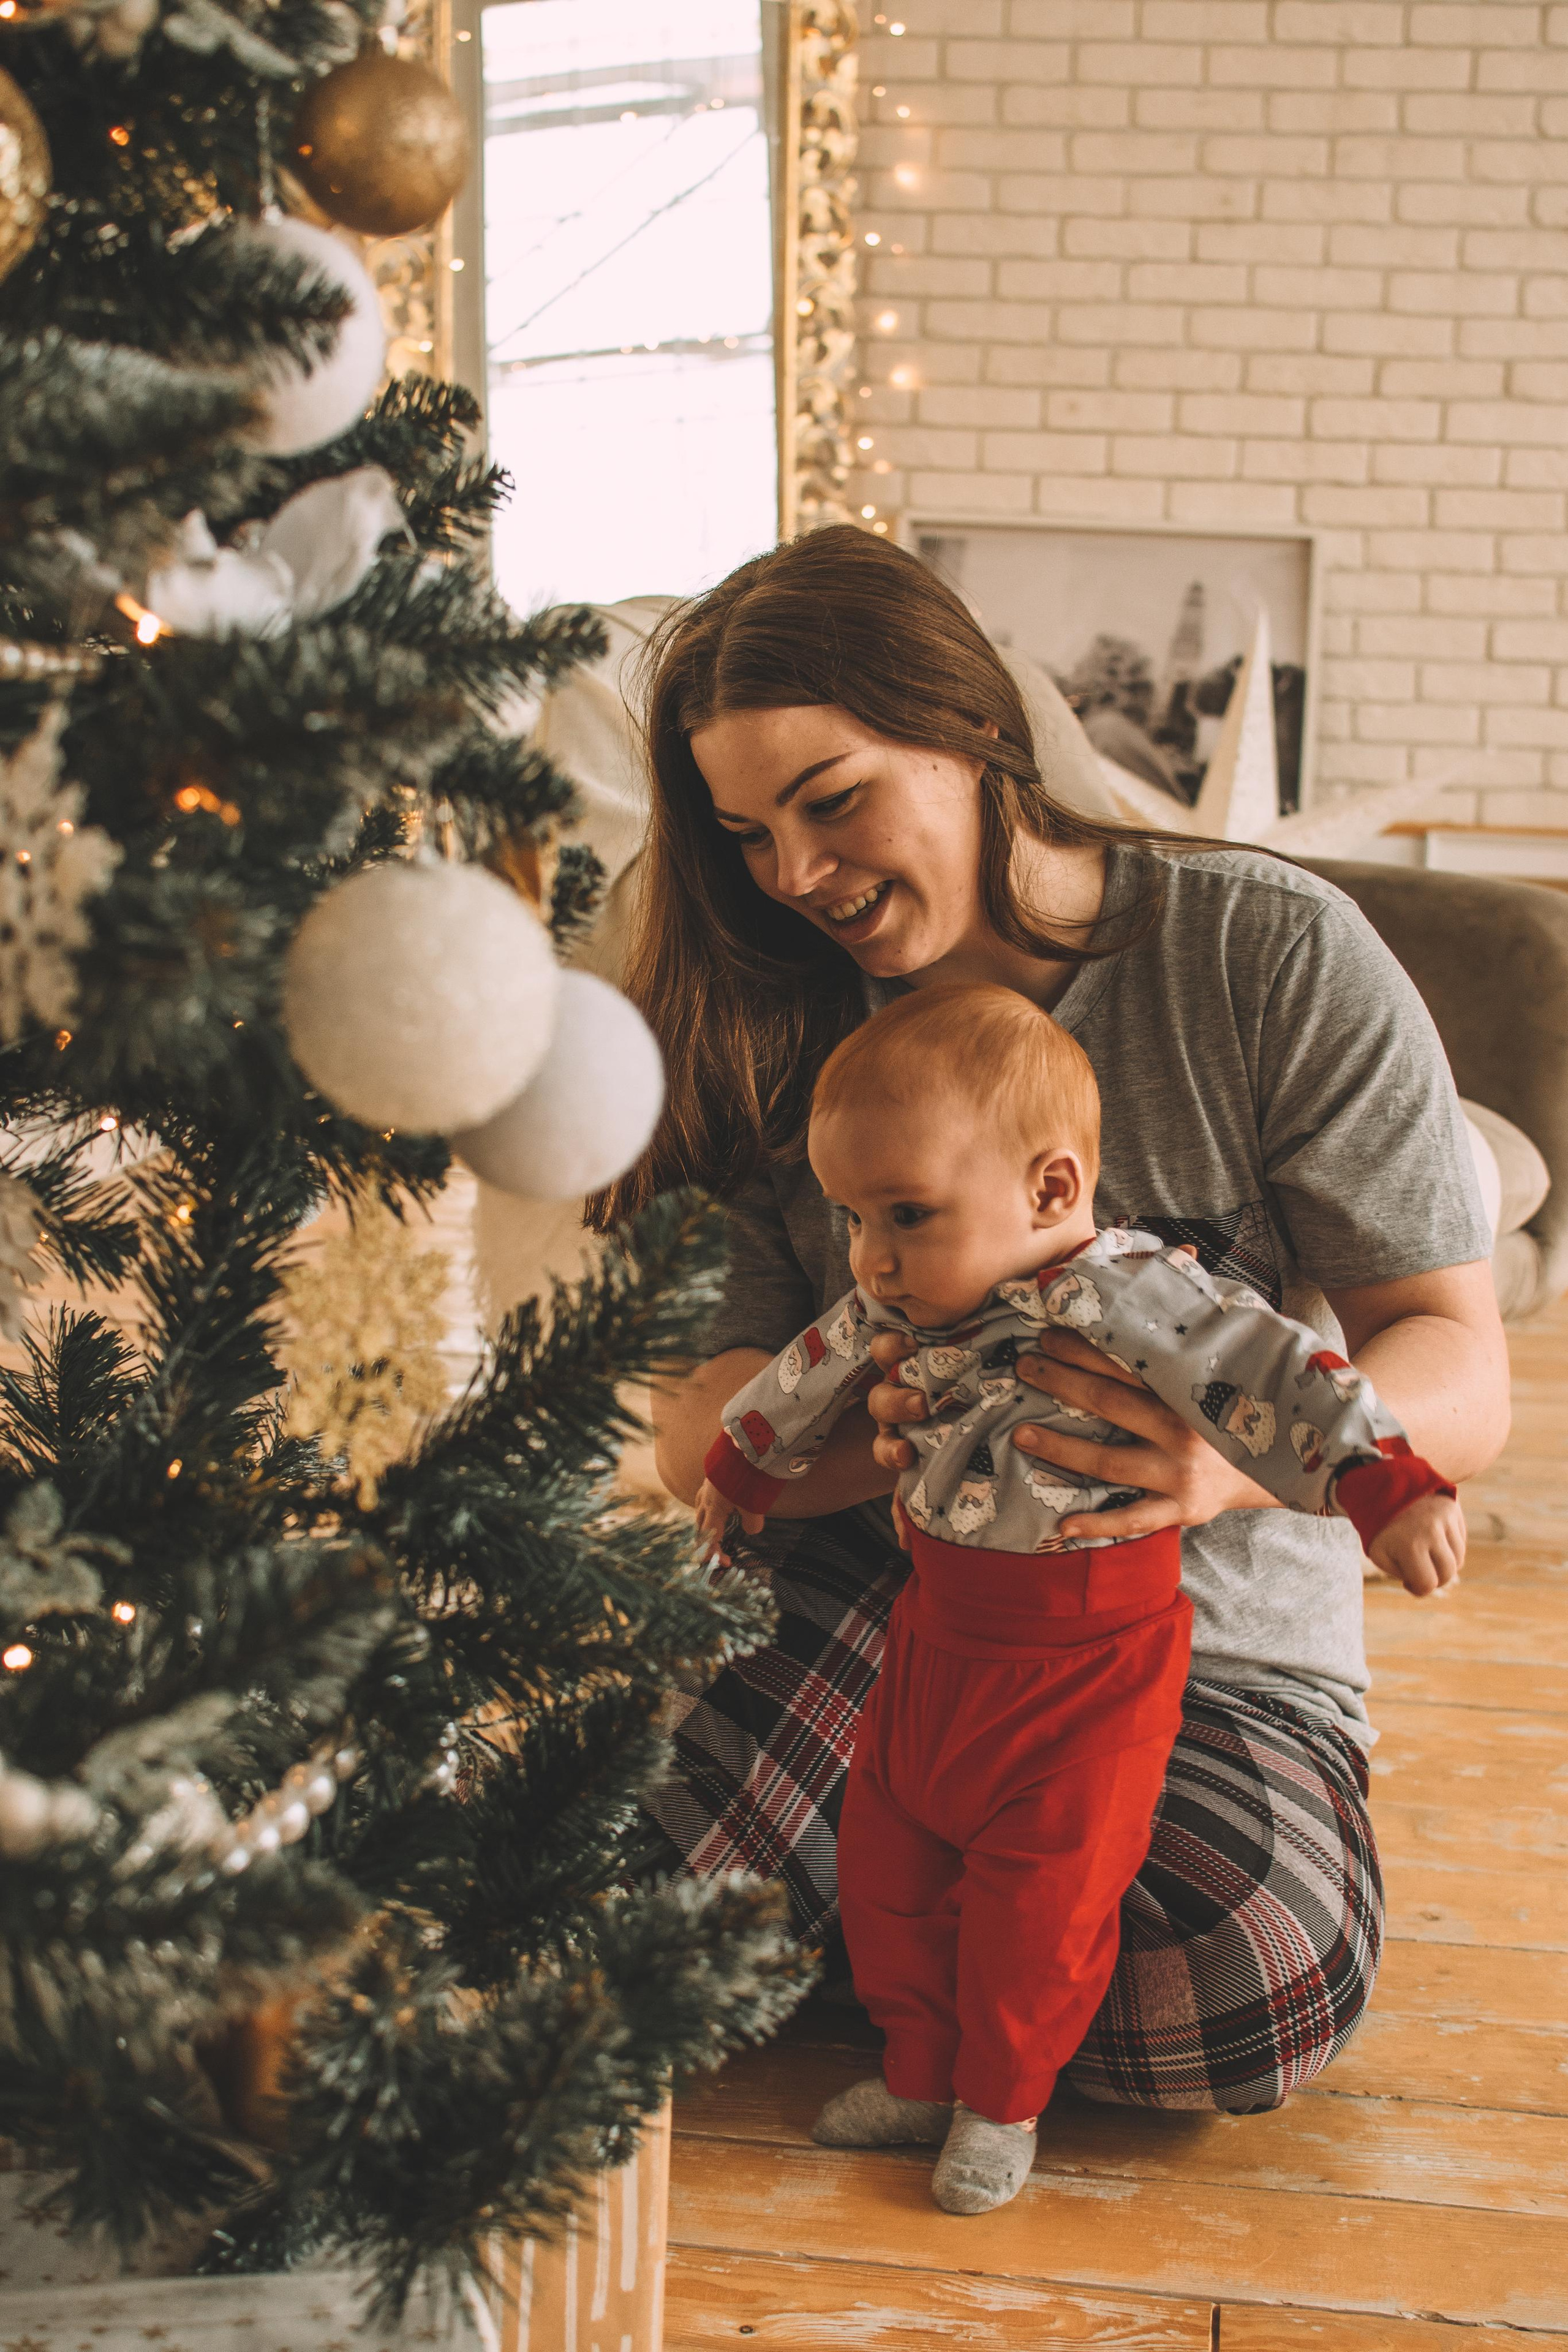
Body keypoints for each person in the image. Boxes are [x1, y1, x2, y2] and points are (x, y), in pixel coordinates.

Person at [593, 525, 1509, 2119]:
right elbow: (707, 1413)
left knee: (1236, 1985)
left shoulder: (1264, 955)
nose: (795, 875)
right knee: (608, 1914)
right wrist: (835, 1461)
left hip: (1196, 1644)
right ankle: (905, 1922)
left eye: (833, 801)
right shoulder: (761, 1006)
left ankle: (893, 1934)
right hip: (880, 1593)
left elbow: (1461, 1362)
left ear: (972, 736)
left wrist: (1221, 1466)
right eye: (747, 832)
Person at [692, 981, 1461, 2212]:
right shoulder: (893, 1299)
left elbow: (1284, 1371)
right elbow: (808, 1364)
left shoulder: (1136, 1294)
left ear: (1051, 1189)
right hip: (932, 1641)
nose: (871, 1255)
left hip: (1085, 1674)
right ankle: (921, 2068)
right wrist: (741, 1462)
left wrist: (1385, 1486)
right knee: (893, 1870)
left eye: (904, 1215)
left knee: (1034, 1904)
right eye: (850, 1218)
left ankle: (1000, 2101)